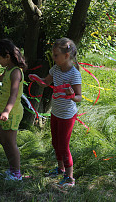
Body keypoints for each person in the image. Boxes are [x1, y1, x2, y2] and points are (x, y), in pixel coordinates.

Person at [30, 37, 82, 188]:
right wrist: (37, 79)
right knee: (55, 142)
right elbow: (46, 82)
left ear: (66, 56)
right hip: (56, 112)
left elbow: (78, 97)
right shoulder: (55, 69)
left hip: (67, 115)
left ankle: (70, 178)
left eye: (56, 55)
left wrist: (72, 95)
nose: (53, 58)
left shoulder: (74, 74)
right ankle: (60, 169)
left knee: (64, 146)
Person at [0, 39, 27, 181]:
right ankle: (12, 169)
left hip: (11, 112)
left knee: (10, 143)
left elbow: (13, 95)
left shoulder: (16, 73)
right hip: (4, 111)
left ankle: (16, 173)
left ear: (7, 56)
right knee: (2, 139)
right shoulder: (8, 69)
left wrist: (6, 111)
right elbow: (1, 78)